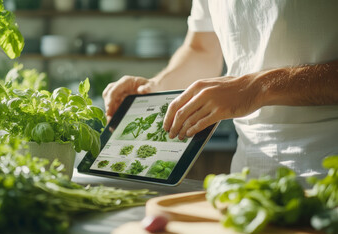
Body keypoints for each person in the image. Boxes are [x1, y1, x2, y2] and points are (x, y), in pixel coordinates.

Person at [102, 0, 338, 182]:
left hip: (328, 167)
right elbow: (201, 49)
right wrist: (154, 87)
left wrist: (256, 88)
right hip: (250, 174)